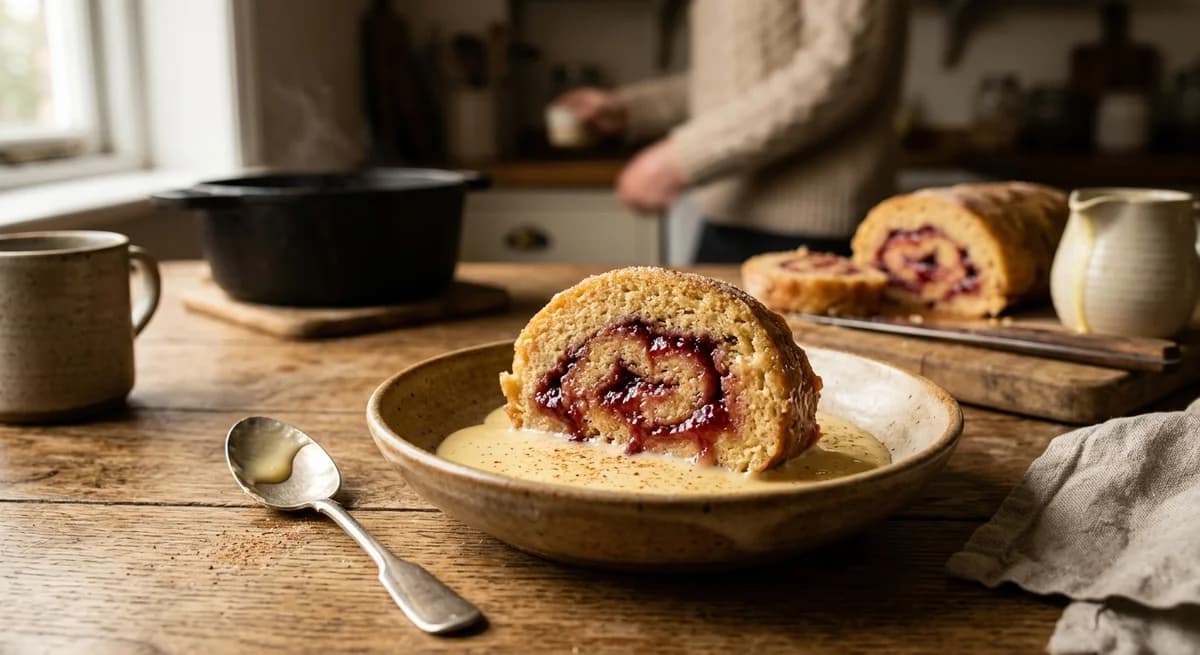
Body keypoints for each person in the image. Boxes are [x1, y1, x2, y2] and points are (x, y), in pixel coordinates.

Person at [553, 0, 909, 263]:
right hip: (725, 220)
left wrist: (680, 158)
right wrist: (630, 109)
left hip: (815, 236)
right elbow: (731, 85)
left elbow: (842, 70)